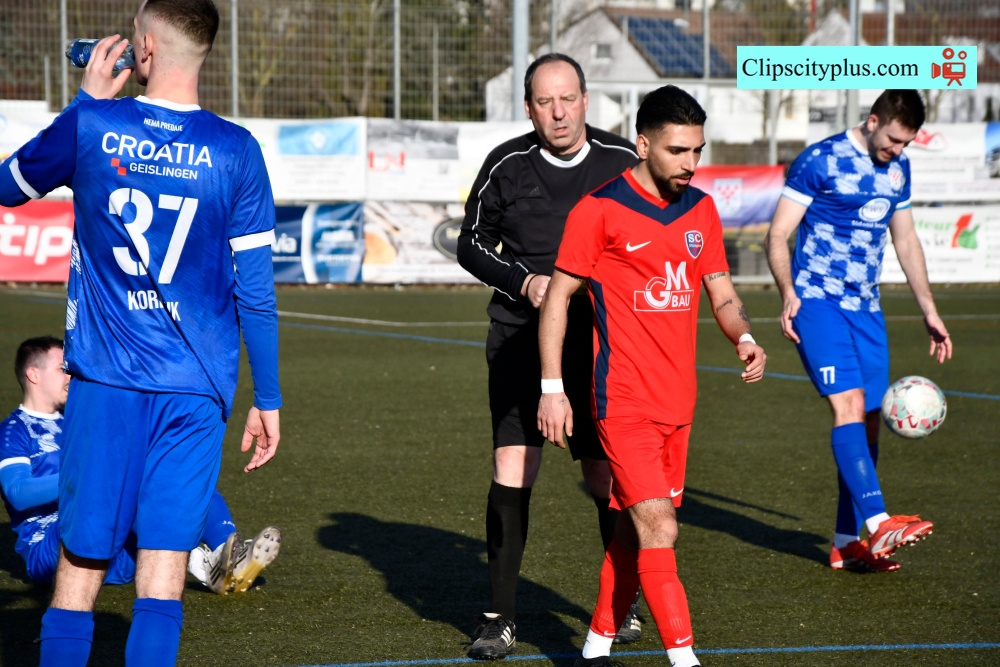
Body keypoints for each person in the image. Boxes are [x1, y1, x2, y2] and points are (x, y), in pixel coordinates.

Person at [0, 0, 282, 664]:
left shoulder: (94, 124)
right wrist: (267, 397)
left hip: (107, 383)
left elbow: (8, 187)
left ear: (145, 49)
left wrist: (85, 102)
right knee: (163, 572)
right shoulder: (237, 149)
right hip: (196, 392)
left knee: (80, 566)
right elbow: (256, 291)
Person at [537, 85, 767, 667]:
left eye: (697, 150)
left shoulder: (701, 210)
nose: (690, 163)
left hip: (679, 405)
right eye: (677, 150)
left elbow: (721, 292)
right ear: (643, 145)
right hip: (623, 401)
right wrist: (552, 389)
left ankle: (595, 645)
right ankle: (685, 660)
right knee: (660, 527)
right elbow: (557, 298)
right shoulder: (599, 210)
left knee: (630, 527)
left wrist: (743, 336)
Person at [456, 53, 641, 659]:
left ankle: (621, 602)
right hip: (518, 337)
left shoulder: (622, 163)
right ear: (529, 108)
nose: (557, 113)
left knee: (603, 473)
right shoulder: (506, 164)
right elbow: (470, 243)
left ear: (585, 100)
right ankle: (498, 618)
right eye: (544, 102)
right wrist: (524, 282)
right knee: (515, 462)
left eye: (567, 99)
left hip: (599, 344)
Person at [764, 89, 951, 573]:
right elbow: (778, 234)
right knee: (847, 405)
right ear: (873, 121)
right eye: (893, 140)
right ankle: (880, 522)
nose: (897, 150)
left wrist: (929, 310)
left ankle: (847, 543)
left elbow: (905, 240)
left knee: (869, 419)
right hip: (816, 302)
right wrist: (788, 292)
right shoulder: (820, 161)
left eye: (906, 143)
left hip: (867, 308)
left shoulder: (898, 169)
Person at [0, 337, 282, 595]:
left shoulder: (78, 420)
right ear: (34, 374)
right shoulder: (14, 430)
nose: (71, 376)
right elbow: (18, 493)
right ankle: (203, 564)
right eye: (63, 369)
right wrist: (89, 474)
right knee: (122, 476)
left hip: (114, 551)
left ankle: (229, 551)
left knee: (180, 472)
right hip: (51, 549)